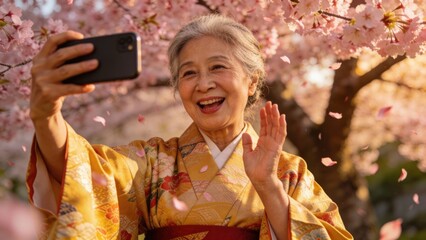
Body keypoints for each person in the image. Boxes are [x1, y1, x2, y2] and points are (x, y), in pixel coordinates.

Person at [27, 14, 353, 240]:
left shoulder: (288, 173)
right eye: (188, 73)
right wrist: (46, 115)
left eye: (217, 67)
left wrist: (268, 187)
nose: (204, 84)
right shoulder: (155, 161)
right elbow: (82, 173)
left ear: (252, 80)